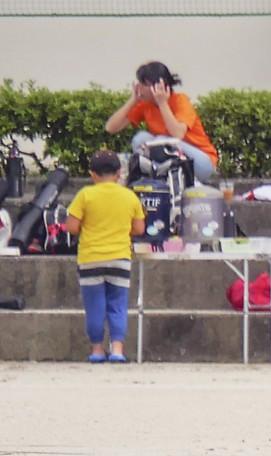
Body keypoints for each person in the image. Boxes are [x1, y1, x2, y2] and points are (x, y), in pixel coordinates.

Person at [65, 150, 146, 363]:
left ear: (92, 174)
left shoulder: (85, 195)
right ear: (119, 173)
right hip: (120, 257)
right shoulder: (129, 196)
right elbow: (139, 228)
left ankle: (97, 350)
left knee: (95, 307)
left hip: (90, 258)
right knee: (118, 305)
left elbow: (71, 226)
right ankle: (118, 349)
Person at [104, 61, 218, 183]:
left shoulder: (180, 100)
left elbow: (177, 134)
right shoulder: (145, 105)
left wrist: (162, 103)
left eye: (143, 84)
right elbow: (111, 128)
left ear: (159, 86)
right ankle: (159, 178)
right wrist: (133, 100)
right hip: (174, 160)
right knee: (141, 139)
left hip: (202, 163)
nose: (139, 87)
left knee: (160, 141)